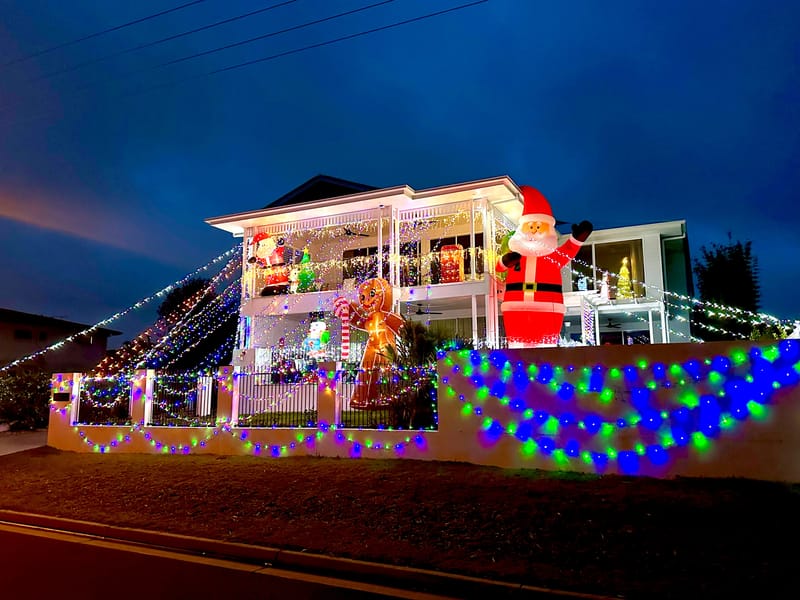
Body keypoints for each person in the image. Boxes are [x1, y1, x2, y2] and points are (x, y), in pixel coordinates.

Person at [497, 185, 592, 347]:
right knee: (517, 347)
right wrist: (505, 262)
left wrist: (576, 239)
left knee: (545, 347)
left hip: (547, 309)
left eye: (538, 227)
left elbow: (568, 251)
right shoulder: (516, 256)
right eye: (530, 227)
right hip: (516, 309)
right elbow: (499, 268)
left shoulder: (552, 257)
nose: (534, 232)